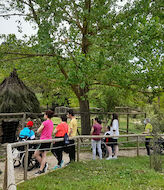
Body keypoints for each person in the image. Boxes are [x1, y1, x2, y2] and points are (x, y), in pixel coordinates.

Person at [34, 110, 54, 175]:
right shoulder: (51, 123)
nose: (44, 116)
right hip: (49, 140)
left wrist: (37, 132)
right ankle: (42, 167)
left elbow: (38, 130)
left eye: (44, 114)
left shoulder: (45, 122)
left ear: (46, 115)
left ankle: (42, 167)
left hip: (43, 140)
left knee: (36, 154)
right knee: (44, 155)